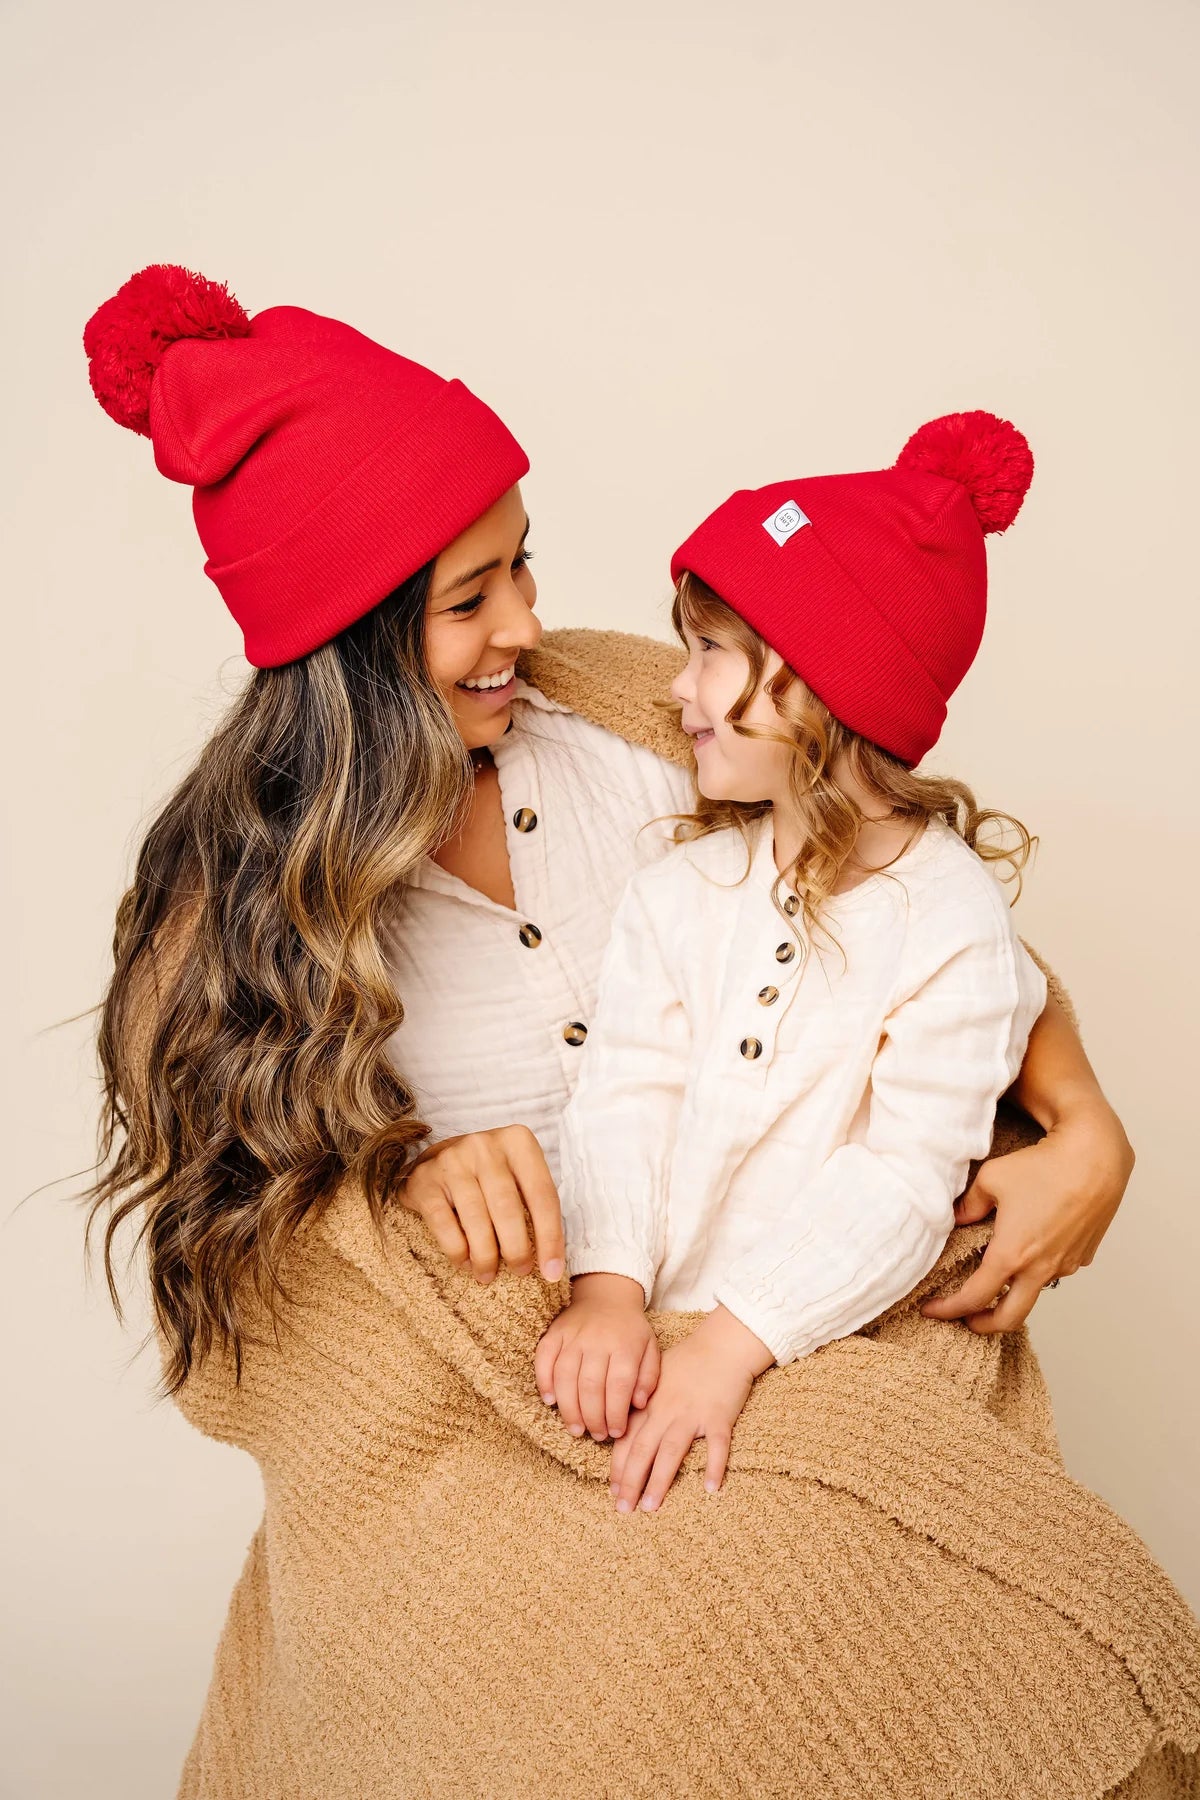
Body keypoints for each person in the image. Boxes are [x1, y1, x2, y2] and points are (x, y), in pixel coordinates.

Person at [81, 266, 1199, 1798]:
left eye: (521, 569)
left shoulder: (619, 709)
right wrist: (397, 1176)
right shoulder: (223, 919)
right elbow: (242, 1267)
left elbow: (901, 918)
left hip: (777, 1306)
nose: (525, 628)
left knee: (856, 1604)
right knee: (643, 1672)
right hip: (494, 1403)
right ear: (343, 645)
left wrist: (1086, 1130)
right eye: (469, 600)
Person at [539, 413, 1047, 1512]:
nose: (677, 690)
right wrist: (608, 1291)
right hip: (646, 1321)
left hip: (802, 1332)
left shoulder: (951, 922)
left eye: (711, 651)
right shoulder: (681, 892)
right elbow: (624, 1091)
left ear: (821, 684)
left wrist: (730, 1346)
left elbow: (907, 1176)